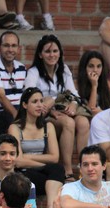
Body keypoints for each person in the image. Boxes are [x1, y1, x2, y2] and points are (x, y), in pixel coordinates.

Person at [25, 34, 89, 181]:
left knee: (83, 122)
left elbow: (74, 94)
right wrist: (51, 104)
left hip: (61, 111)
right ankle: (67, 170)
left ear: (60, 53)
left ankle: (84, 165)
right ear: (40, 54)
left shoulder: (64, 69)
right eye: (47, 51)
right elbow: (30, 96)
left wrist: (73, 103)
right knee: (68, 122)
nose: (52, 55)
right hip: (43, 114)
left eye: (55, 51)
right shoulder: (34, 72)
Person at [8, 87, 64, 208]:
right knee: (53, 171)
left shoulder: (48, 126)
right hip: (24, 173)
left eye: (41, 101)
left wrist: (28, 157)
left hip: (42, 173)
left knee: (58, 169)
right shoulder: (15, 128)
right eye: (34, 102)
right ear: (24, 105)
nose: (40, 105)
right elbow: (18, 161)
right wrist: (43, 165)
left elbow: (55, 157)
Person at [0, 31, 26, 136]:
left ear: (19, 49)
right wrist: (18, 117)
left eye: (14, 46)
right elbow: (2, 98)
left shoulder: (22, 68)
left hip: (19, 111)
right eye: (6, 45)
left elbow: (27, 95)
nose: (10, 50)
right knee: (11, 122)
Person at [0, 133, 37, 208]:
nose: (8, 158)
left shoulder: (28, 185)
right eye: (3, 154)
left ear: (17, 155)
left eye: (12, 154)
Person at [77, 50, 110, 117]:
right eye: (91, 66)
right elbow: (89, 111)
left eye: (99, 66)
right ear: (84, 67)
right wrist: (94, 86)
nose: (95, 70)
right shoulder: (77, 84)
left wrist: (102, 112)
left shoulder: (107, 83)